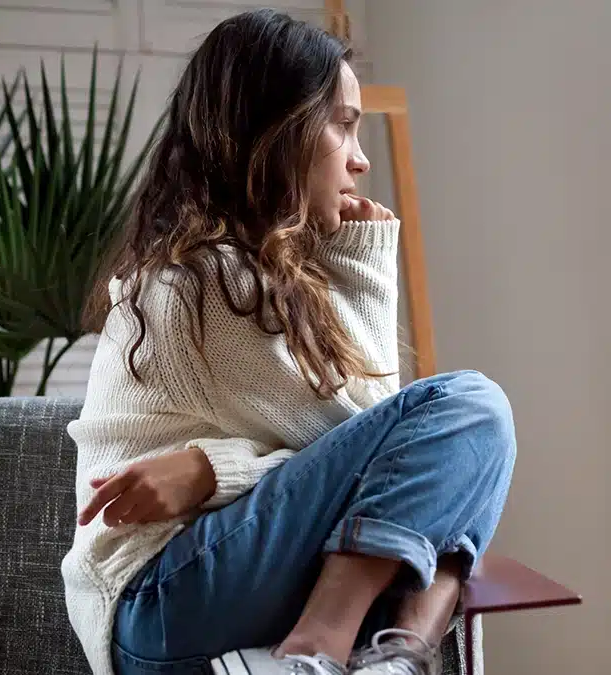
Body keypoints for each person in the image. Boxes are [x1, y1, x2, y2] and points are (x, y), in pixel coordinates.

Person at [62, 9, 517, 675]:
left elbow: (378, 463)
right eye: (343, 124)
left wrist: (208, 470)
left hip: (204, 595)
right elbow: (375, 437)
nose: (360, 159)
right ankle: (317, 649)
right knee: (473, 409)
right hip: (160, 598)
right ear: (277, 130)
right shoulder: (200, 281)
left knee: (466, 466)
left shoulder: (257, 275)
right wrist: (365, 260)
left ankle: (400, 658)